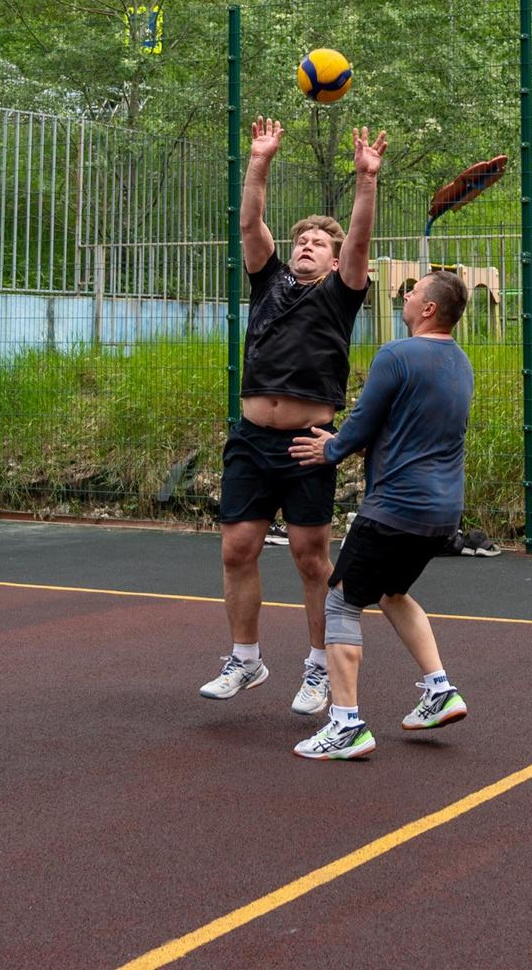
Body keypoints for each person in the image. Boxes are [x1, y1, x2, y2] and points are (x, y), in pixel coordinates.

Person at [202, 118, 383, 715]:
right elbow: (251, 222)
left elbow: (359, 238)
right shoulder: (268, 282)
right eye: (301, 239)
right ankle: (246, 660)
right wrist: (260, 161)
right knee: (237, 550)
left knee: (310, 556)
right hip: (251, 438)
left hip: (308, 444)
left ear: (334, 263)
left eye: (318, 243)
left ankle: (316, 669)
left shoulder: (341, 291)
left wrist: (366, 181)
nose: (306, 244)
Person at [286, 270, 474, 759]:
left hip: (395, 508)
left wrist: (331, 449)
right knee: (392, 592)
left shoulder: (397, 354)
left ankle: (346, 726)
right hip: (443, 512)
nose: (406, 296)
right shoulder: (462, 362)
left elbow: (362, 423)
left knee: (342, 603)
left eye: (413, 292)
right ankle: (439, 689)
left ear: (429, 308)